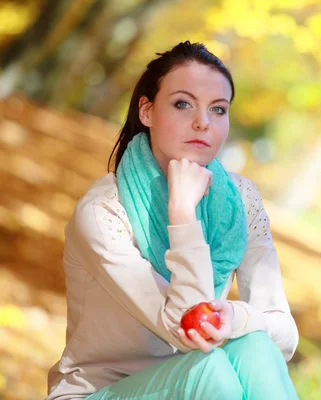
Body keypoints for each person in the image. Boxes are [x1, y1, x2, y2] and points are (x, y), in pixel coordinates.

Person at [46, 41, 300, 400]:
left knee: (255, 346)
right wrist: (182, 216)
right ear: (146, 111)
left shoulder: (240, 200)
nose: (203, 122)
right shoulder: (104, 211)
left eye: (218, 109)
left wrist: (234, 317)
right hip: (98, 392)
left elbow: (284, 334)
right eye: (183, 104)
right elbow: (185, 328)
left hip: (200, 378)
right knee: (209, 370)